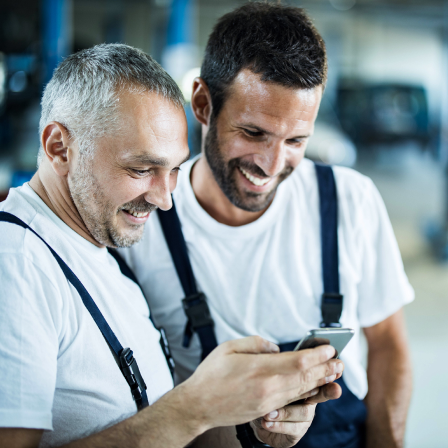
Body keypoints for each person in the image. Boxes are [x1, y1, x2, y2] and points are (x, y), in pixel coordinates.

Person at [0, 44, 345, 448]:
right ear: (60, 148)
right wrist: (193, 407)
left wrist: (242, 410)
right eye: (142, 169)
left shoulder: (95, 247)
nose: (165, 199)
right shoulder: (17, 263)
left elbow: (154, 423)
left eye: (175, 169)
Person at [122, 3, 415, 448]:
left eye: (296, 140)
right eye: (254, 133)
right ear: (203, 103)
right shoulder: (142, 225)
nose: (273, 165)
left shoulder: (349, 200)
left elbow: (389, 344)